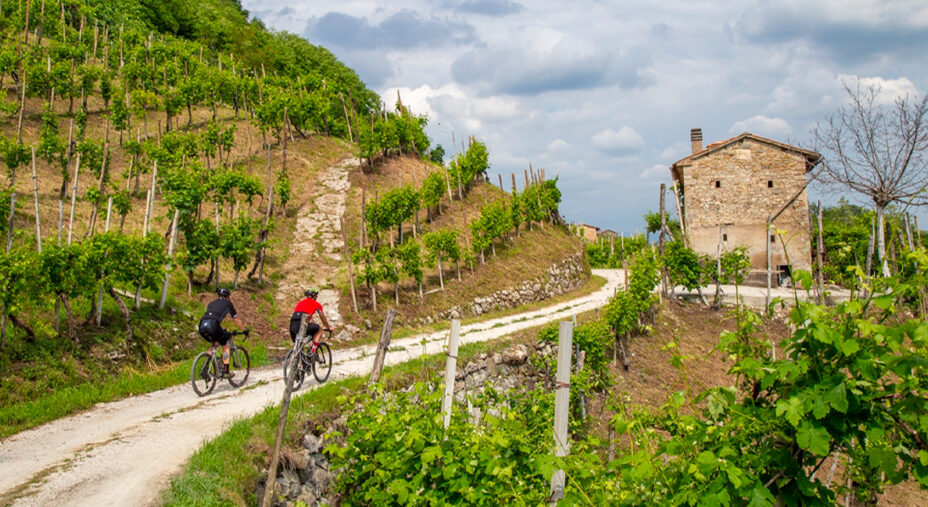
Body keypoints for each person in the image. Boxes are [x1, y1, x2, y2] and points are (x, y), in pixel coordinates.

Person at [198, 287, 248, 378]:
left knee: (214, 344)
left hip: (202, 325)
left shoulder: (211, 303)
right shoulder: (228, 303)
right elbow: (236, 320)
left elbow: (212, 315)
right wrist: (244, 330)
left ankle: (205, 366)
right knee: (226, 346)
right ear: (227, 297)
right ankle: (226, 371)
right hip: (213, 325)